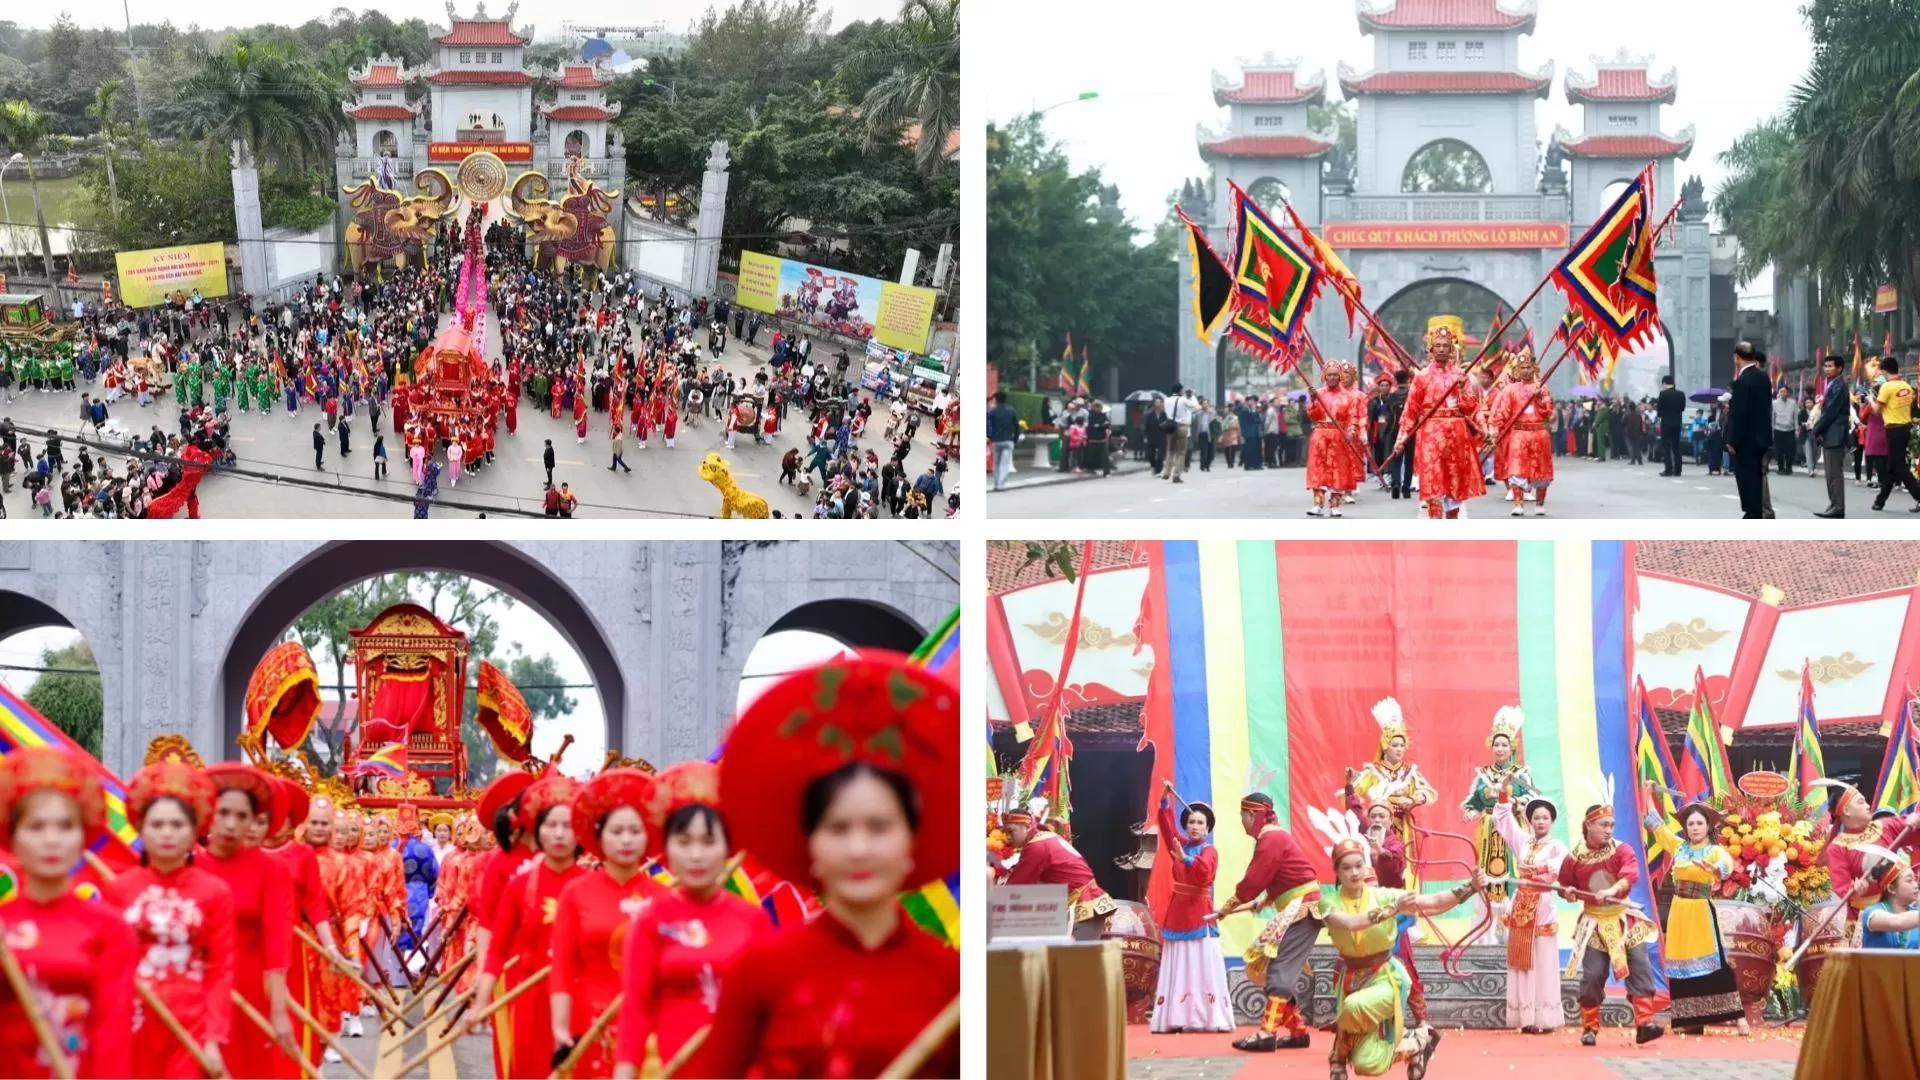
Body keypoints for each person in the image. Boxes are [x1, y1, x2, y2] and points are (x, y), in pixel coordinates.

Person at [690, 656, 960, 1077]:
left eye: (879, 827)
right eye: (838, 828)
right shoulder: (759, 973)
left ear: (912, 840)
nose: (858, 848)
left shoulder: (951, 981)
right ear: (809, 844)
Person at [613, 762, 771, 1078]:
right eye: (684, 843)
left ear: (728, 847)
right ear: (666, 850)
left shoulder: (753, 920)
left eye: (708, 842)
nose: (696, 855)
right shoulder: (651, 921)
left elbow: (771, 1015)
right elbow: (635, 1012)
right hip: (672, 1070)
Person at [0, 747, 137, 1078]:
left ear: (83, 836)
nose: (51, 840)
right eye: (36, 827)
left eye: (65, 827)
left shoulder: (109, 929)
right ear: (12, 837)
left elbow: (112, 1036)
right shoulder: (5, 926)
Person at [101, 757, 235, 1080]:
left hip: (190, 1024)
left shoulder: (215, 893)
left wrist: (214, 1038)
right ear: (141, 829)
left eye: (177, 825)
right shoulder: (117, 891)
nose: (167, 833)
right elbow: (105, 968)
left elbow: (221, 970)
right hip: (129, 1021)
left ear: (194, 832)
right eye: (157, 824)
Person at [1319, 838, 1481, 1079]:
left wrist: (1471, 887)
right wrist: (1394, 909)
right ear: (1336, 871)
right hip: (1350, 980)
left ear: (1366, 867)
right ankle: (1417, 1043)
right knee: (1367, 1065)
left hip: (1385, 976)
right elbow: (1351, 924)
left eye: (1358, 865)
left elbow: (1434, 902)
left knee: (1353, 1007)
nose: (1354, 872)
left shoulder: (1383, 895)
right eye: (1346, 867)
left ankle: (1338, 1056)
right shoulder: (1328, 902)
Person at [551, 769, 669, 1077]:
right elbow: (563, 964)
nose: (627, 840)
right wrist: (560, 1026)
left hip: (652, 1024)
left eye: (635, 831)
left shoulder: (665, 897)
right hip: (590, 1019)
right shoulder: (576, 893)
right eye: (617, 832)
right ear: (599, 836)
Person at [475, 772, 584, 1078]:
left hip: (579, 996)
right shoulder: (518, 881)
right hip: (525, 987)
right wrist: (482, 990)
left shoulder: (589, 884)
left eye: (568, 825)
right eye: (551, 825)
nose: (560, 834)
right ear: (538, 828)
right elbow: (490, 929)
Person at [195, 762, 297, 1079]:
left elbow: (277, 945)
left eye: (242, 817)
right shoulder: (188, 864)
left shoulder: (271, 870)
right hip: (195, 988)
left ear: (255, 821)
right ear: (209, 812)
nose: (230, 824)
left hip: (249, 989)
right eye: (223, 812)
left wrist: (279, 1011)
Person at [1214, 791, 1320, 1053]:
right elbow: (1282, 876)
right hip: (1295, 906)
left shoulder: (1270, 838)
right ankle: (1297, 1031)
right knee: (1267, 964)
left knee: (1278, 969)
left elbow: (1254, 880)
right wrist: (1267, 899)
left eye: (1242, 816)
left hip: (1302, 908)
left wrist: (1230, 904)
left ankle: (1267, 1032)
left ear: (1252, 814)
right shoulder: (1274, 837)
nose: (1241, 822)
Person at [1641, 790, 1746, 1034]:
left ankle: (1738, 1017)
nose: (1695, 827)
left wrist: (1714, 868)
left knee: (1715, 963)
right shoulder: (1679, 848)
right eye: (1690, 824)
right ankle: (1689, 1020)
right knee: (1682, 965)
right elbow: (1657, 826)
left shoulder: (1714, 851)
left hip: (1701, 912)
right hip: (1679, 912)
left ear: (1708, 826)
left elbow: (1726, 867)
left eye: (1699, 823)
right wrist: (1647, 794)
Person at [1559, 798, 1662, 1047]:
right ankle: (1590, 1028)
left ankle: (1645, 1023)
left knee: (1640, 966)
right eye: (1604, 825)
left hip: (1624, 919)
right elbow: (1563, 884)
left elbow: (1631, 873)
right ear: (1589, 826)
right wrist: (1568, 892)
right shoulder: (1574, 858)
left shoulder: (1622, 849)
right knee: (1593, 974)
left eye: (1612, 825)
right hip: (1594, 922)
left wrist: (1613, 889)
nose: (1609, 830)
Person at [1150, 781, 1233, 1033]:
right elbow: (1166, 828)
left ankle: (1207, 1017)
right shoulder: (1179, 845)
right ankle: (1176, 1017)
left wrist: (1186, 859)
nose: (1195, 826)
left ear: (1207, 828)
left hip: (1200, 912)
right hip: (1178, 911)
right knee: (1180, 963)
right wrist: (1165, 801)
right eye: (1191, 822)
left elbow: (1204, 874)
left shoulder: (1209, 851)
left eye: (1200, 823)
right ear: (1186, 826)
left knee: (1200, 963)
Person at [1489, 786, 1566, 1034]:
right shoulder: (1523, 840)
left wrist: (1540, 869)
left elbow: (1560, 867)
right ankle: (1526, 1017)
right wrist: (1503, 796)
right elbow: (1503, 821)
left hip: (1542, 905)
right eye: (1536, 817)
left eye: (1545, 817)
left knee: (1542, 959)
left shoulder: (1556, 846)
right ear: (1530, 820)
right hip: (1520, 904)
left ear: (1552, 821)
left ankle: (1545, 1017)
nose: (1540, 821)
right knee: (1522, 961)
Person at [1390, 316, 1483, 518]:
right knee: (1433, 479)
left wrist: (1461, 390)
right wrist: (1401, 438)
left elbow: (1470, 408)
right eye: (1437, 345)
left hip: (1456, 434)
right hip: (1430, 434)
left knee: (1455, 481)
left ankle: (1452, 519)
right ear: (1431, 349)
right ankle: (1435, 523)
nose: (1441, 349)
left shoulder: (1461, 375)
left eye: (1445, 345)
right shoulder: (1421, 377)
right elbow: (1410, 410)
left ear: (1452, 349)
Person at [1460, 708, 1535, 942]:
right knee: (1489, 876)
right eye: (1496, 744)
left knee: (1512, 874)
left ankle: (1512, 927)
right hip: (1489, 832)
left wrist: (1518, 802)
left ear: (1511, 747)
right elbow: (1469, 803)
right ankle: (1488, 931)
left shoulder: (1521, 773)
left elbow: (1533, 802)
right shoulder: (1482, 775)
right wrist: (1471, 812)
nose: (1500, 748)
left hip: (1511, 830)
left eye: (1504, 744)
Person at [1345, 698, 1437, 888]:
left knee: (1405, 868)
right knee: (1381, 865)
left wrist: (1412, 799)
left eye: (1402, 745)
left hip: (1404, 828)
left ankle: (1407, 904)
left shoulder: (1410, 771)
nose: (1399, 749)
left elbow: (1429, 792)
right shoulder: (1373, 772)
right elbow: (1355, 797)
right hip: (1379, 827)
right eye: (1395, 745)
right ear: (1386, 746)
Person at [998, 800, 1115, 939]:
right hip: (1087, 902)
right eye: (1005, 832)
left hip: (1083, 905)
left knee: (1073, 959)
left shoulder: (1036, 847)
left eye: (1011, 831)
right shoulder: (1046, 837)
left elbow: (1014, 890)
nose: (1008, 837)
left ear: (1028, 826)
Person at [1486, 350, 1554, 515]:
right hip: (1519, 433)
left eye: (1528, 367)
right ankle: (1518, 504)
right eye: (1522, 368)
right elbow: (1503, 412)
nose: (1525, 371)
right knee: (1516, 468)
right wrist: (1494, 429)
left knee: (1541, 470)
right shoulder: (1511, 390)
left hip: (1539, 432)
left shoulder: (1542, 388)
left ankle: (1539, 504)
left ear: (1534, 369)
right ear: (1517, 370)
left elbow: (1548, 412)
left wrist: (1538, 398)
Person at [1303, 364, 1366, 518]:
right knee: (1318, 469)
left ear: (1340, 377)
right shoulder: (1318, 393)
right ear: (1324, 376)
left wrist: (1351, 430)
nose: (1332, 377)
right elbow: (1313, 415)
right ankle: (1317, 504)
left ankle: (1335, 505)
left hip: (1339, 435)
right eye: (1329, 375)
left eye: (1335, 375)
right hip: (1320, 435)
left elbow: (1354, 417)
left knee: (1338, 469)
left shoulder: (1348, 396)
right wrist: (1313, 400)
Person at [1726, 343, 1773, 518]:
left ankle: (1752, 512)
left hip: (1746, 439)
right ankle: (1756, 511)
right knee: (1756, 475)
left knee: (1746, 477)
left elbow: (1739, 414)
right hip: (1761, 436)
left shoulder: (1742, 381)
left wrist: (1732, 440)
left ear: (1736, 357)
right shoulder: (1763, 378)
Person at [1870, 356, 1920, 512]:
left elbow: (1877, 411)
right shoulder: (1906, 386)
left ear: (1884, 371)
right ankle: (1880, 501)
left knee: (1900, 467)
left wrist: (1871, 399)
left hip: (1894, 430)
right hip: (1905, 428)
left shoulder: (1886, 387)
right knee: (1892, 467)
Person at [1814, 355, 1851, 517]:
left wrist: (1817, 429)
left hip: (1835, 432)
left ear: (1839, 368)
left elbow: (1830, 412)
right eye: (1826, 366)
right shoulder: (1832, 384)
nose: (1827, 369)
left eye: (1830, 366)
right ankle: (1834, 503)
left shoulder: (1838, 386)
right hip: (1830, 432)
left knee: (1834, 473)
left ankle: (1838, 506)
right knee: (1830, 473)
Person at [1857, 854, 1920, 949]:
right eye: (1909, 880)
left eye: (1915, 880)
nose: (1916, 885)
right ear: (1891, 888)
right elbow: (1898, 923)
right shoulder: (1871, 913)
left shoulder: (1916, 911)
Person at [986, 392, 1020, 492]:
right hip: (1008, 441)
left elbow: (988, 425)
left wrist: (989, 436)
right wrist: (1015, 439)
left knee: (996, 463)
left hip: (996, 441)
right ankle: (1001, 483)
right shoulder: (1012, 411)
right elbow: (1017, 427)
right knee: (1005, 463)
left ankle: (997, 483)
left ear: (996, 399)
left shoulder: (992, 412)